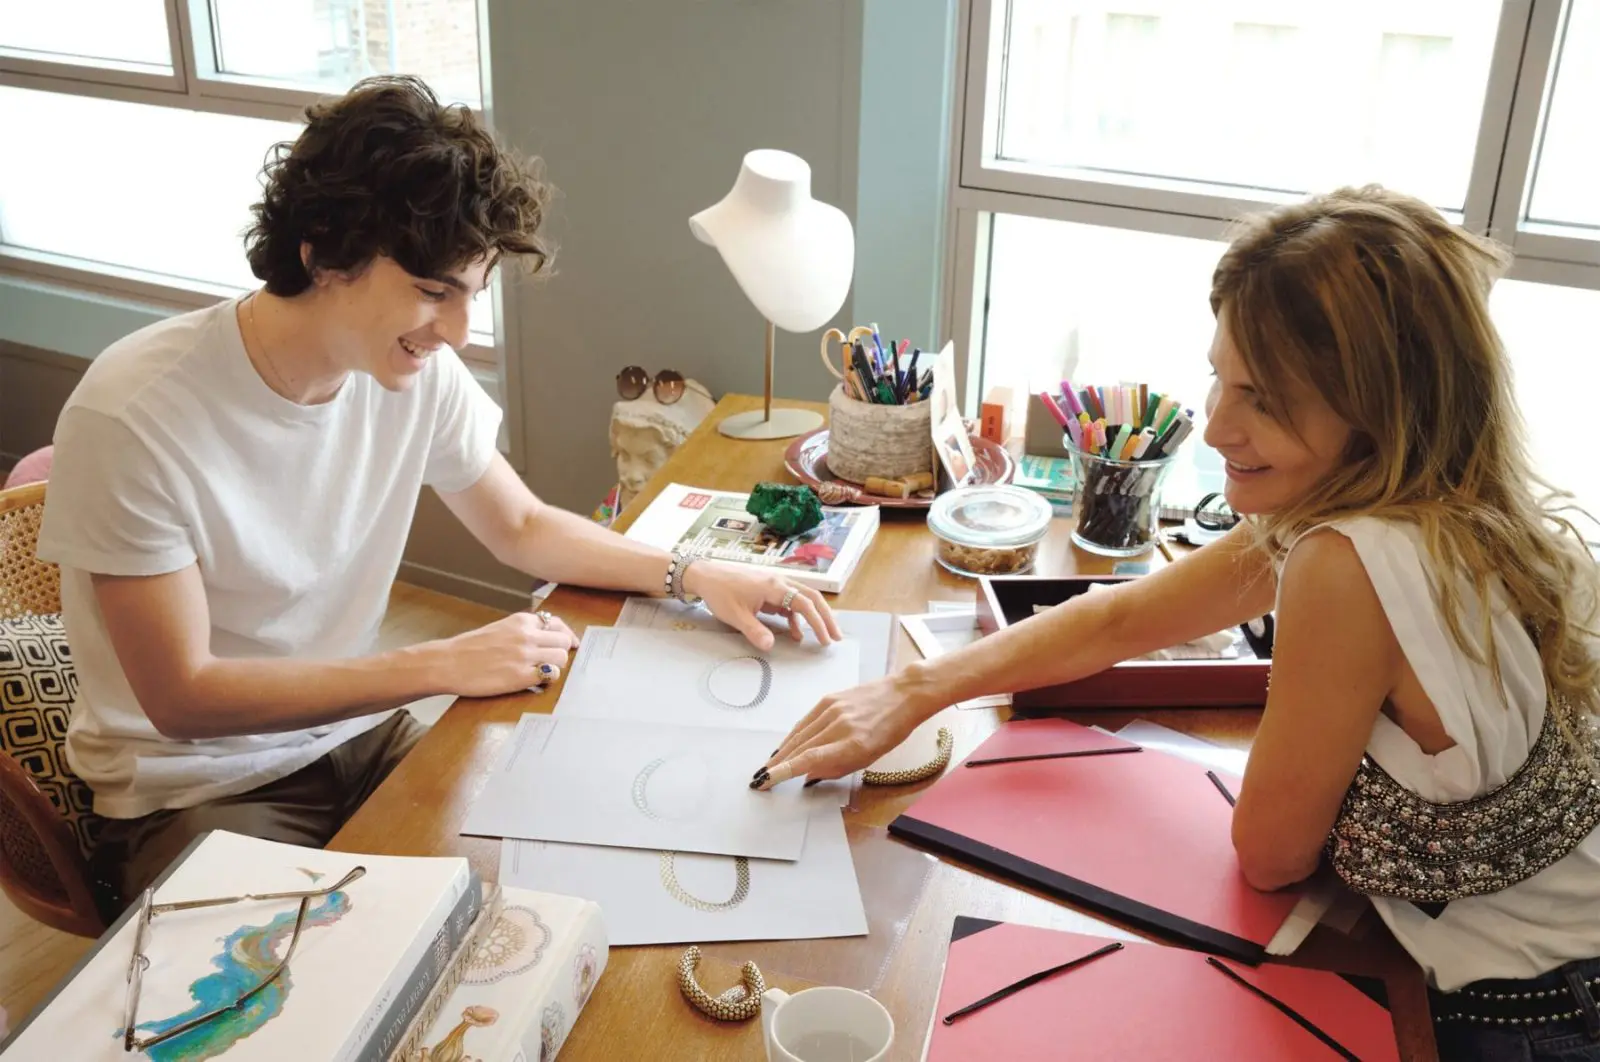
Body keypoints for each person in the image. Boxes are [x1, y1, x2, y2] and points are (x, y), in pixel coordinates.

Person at [759, 186, 1600, 1060]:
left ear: (1381, 411)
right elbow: (1120, 617)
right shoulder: (1472, 513)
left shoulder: (1349, 561)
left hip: (1526, 1019)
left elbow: (1269, 855)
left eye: (1265, 399)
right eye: (1221, 375)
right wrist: (912, 687)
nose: (1216, 422)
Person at [36, 75, 840, 914]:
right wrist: (438, 665)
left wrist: (693, 572)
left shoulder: (413, 373)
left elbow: (521, 524)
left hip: (357, 738)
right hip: (197, 790)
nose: (456, 332)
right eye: (432, 291)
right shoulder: (132, 412)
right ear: (321, 250)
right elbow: (183, 697)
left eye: (472, 293)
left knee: (548, 903)